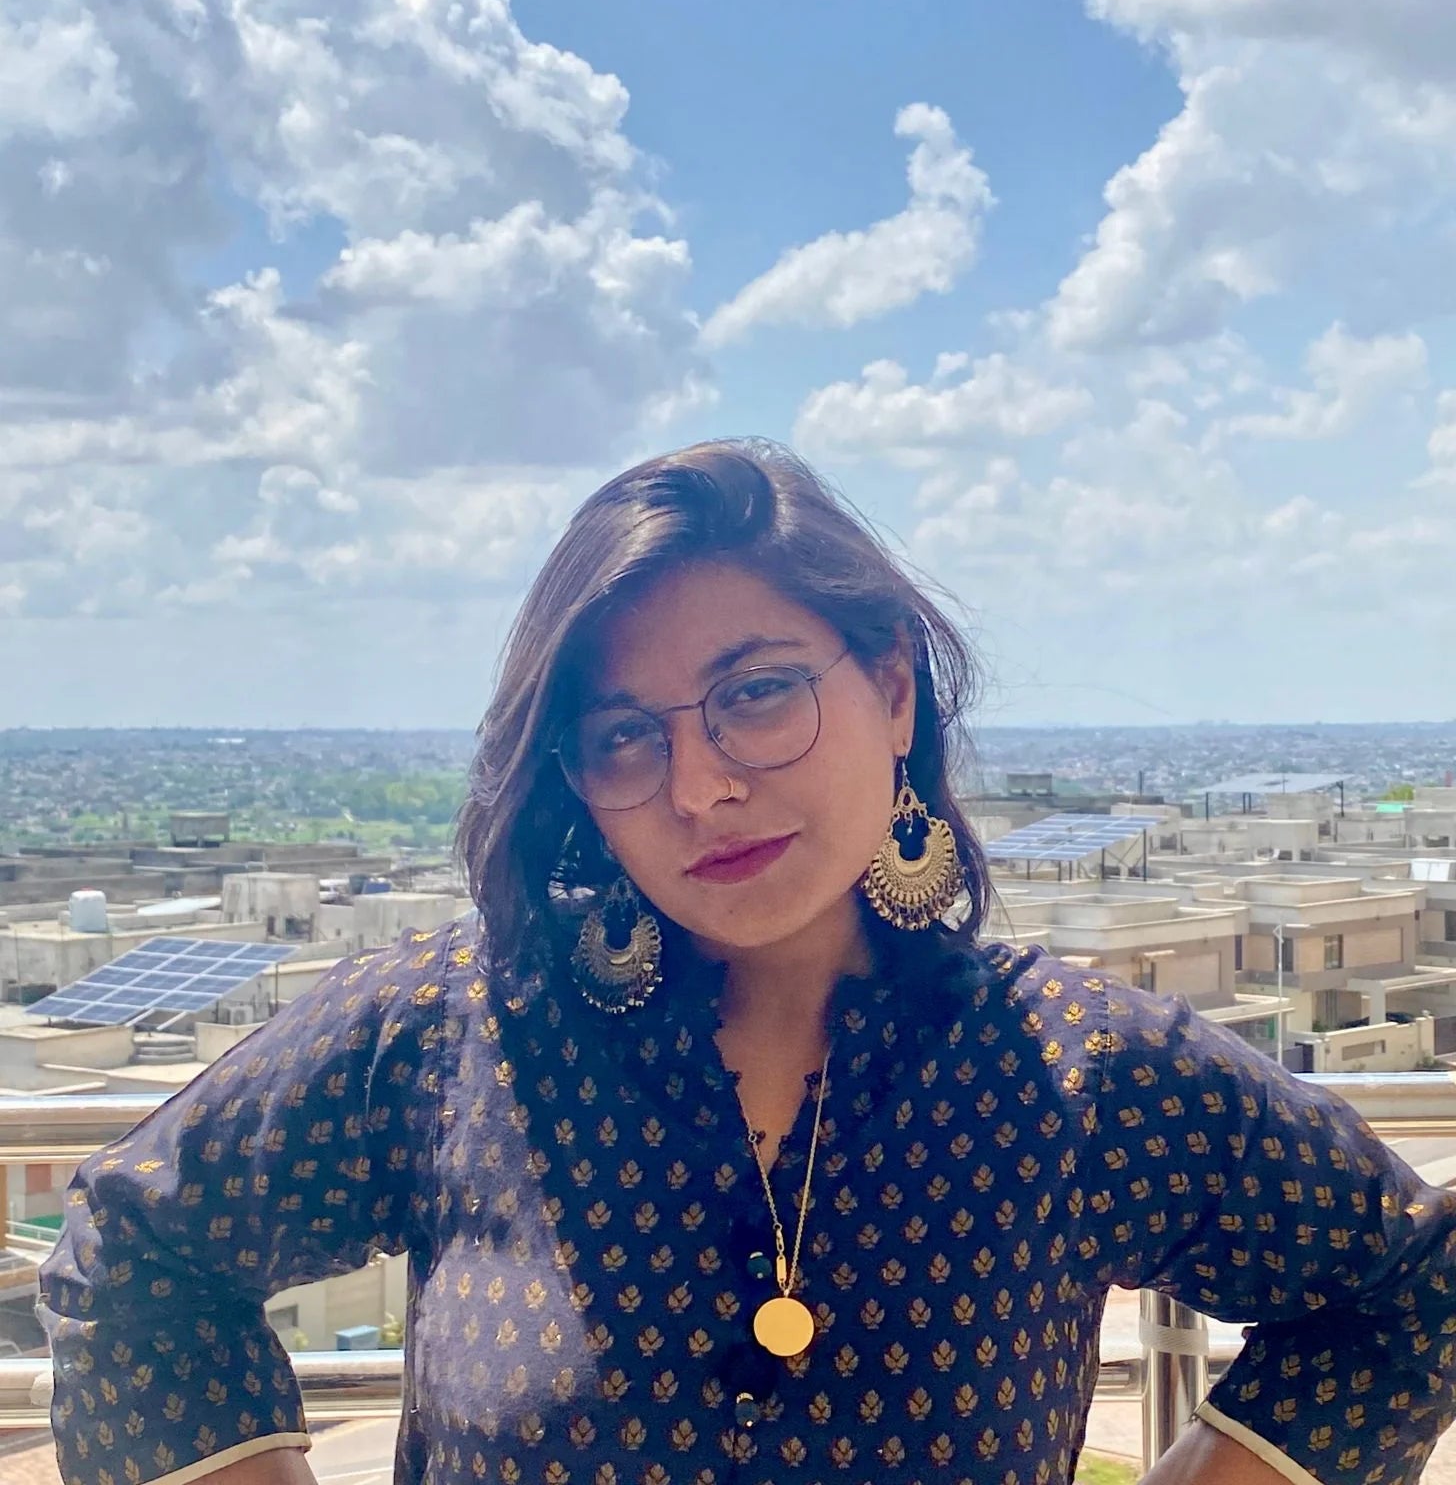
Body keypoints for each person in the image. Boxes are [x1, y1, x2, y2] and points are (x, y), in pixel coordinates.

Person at [37, 439, 1456, 1485]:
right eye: (624, 736)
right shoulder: (458, 1031)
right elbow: (136, 1252)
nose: (701, 786)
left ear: (890, 688)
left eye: (758, 694)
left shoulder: (1079, 1073)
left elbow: (1408, 1288)